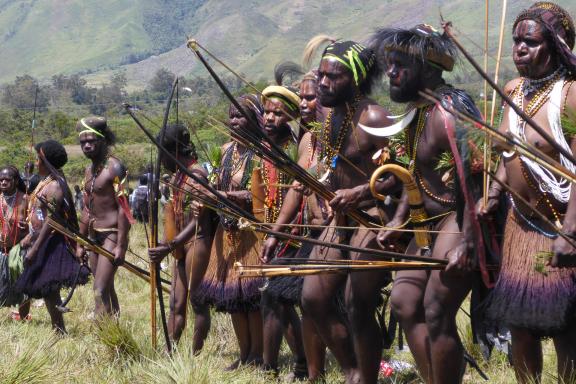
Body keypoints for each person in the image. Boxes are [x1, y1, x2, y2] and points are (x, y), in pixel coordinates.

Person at [370, 25, 484, 384]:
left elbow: (477, 179)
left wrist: (468, 239)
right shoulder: (418, 113)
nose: (390, 72)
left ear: (429, 68)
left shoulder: (449, 113)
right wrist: (398, 219)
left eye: (399, 63)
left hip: (459, 217)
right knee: (404, 301)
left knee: (436, 309)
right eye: (389, 63)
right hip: (425, 222)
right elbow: (414, 175)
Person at [478, 3, 576, 382]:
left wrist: (570, 230)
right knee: (520, 323)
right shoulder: (513, 91)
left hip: (560, 224)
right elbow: (507, 152)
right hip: (521, 225)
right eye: (516, 41)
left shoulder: (570, 95)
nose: (519, 48)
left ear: (555, 45)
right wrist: (492, 195)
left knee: (566, 323)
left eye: (530, 42)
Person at [289, 37, 392, 383]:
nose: (324, 83)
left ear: (356, 80)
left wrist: (360, 191)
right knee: (313, 297)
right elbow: (335, 165)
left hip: (373, 218)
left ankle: (367, 377)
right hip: (341, 219)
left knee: (358, 303)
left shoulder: (374, 117)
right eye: (322, 75)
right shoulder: (332, 115)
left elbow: (400, 175)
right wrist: (321, 185)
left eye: (335, 77)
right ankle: (351, 369)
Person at [259, 72, 328, 380]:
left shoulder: (339, 135)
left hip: (337, 235)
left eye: (309, 97)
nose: (303, 103)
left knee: (324, 304)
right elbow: (297, 188)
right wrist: (275, 233)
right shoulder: (307, 140)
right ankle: (306, 369)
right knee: (287, 295)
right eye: (301, 97)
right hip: (311, 235)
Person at [193, 94, 266, 369]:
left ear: (254, 119)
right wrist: (205, 197)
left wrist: (223, 195)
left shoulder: (261, 153)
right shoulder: (224, 151)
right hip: (226, 233)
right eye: (232, 115)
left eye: (241, 116)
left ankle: (258, 355)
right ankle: (244, 354)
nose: (234, 121)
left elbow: (259, 194)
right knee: (234, 298)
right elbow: (215, 187)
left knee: (251, 296)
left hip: (251, 234)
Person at [254, 84, 309, 378]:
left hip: (292, 235)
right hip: (270, 233)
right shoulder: (264, 147)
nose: (270, 117)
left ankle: (270, 368)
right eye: (266, 111)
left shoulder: (294, 148)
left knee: (273, 298)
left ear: (290, 116)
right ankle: (300, 363)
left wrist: (280, 232)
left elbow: (296, 194)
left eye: (277, 113)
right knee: (280, 300)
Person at [148, 123, 215, 351]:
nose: (161, 160)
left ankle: (195, 355)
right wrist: (166, 244)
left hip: (197, 241)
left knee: (197, 301)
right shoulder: (178, 176)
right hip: (178, 246)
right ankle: (170, 352)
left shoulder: (197, 176)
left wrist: (169, 246)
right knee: (176, 303)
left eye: (163, 154)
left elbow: (198, 221)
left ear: (173, 152)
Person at [15, 140, 89, 333]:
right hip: (42, 240)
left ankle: (59, 330)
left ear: (45, 161)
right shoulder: (45, 182)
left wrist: (35, 245)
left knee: (49, 289)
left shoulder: (55, 185)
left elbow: (52, 221)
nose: (36, 163)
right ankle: (58, 329)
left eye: (38, 159)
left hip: (51, 242)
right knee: (48, 290)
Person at [75, 116, 132, 318]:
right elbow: (87, 209)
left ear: (103, 141)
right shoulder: (88, 170)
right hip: (93, 236)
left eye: (91, 141)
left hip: (111, 235)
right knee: (105, 288)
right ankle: (115, 337)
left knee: (99, 290)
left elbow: (124, 209)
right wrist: (80, 242)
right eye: (83, 142)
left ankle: (104, 336)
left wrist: (121, 246)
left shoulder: (114, 167)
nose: (87, 146)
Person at [0, 166, 30, 319]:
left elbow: (36, 224)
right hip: (1, 249)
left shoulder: (24, 199)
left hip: (18, 249)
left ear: (16, 181)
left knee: (22, 286)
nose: (3, 182)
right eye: (1, 180)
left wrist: (27, 226)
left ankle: (24, 318)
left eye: (7, 180)